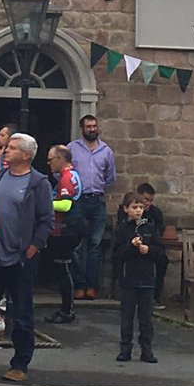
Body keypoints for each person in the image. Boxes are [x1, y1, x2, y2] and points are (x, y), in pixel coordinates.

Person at [0, 132, 54, 383]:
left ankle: (20, 364)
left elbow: (46, 220)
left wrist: (33, 246)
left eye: (12, 148)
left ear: (26, 155)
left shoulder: (38, 183)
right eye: (7, 147)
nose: (6, 150)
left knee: (22, 312)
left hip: (20, 259)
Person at [68, 115, 116, 300]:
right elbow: (63, 172)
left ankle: (92, 286)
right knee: (78, 245)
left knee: (95, 245)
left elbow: (110, 177)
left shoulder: (106, 151)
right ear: (82, 128)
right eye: (88, 126)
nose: (92, 129)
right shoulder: (72, 148)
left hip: (97, 201)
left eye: (94, 126)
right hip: (78, 200)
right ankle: (79, 285)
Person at [113, 191, 163, 363]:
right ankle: (125, 349)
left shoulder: (150, 228)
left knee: (146, 319)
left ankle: (146, 350)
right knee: (127, 318)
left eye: (141, 207)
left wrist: (148, 250)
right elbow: (117, 254)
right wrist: (130, 246)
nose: (138, 211)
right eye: (134, 207)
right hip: (129, 279)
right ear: (126, 209)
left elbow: (160, 252)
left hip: (147, 280)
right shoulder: (121, 230)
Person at [44, 144, 83, 325]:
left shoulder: (67, 177)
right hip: (69, 227)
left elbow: (66, 205)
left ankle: (67, 310)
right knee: (61, 269)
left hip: (67, 228)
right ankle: (66, 308)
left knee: (63, 269)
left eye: (51, 160)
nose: (49, 163)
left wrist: (44, 204)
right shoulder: (71, 174)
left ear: (61, 159)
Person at [137, 183, 170, 308]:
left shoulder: (156, 213)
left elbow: (158, 234)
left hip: (150, 246)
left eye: (150, 201)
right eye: (145, 199)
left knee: (162, 260)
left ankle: (155, 296)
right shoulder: (130, 209)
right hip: (134, 246)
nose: (147, 203)